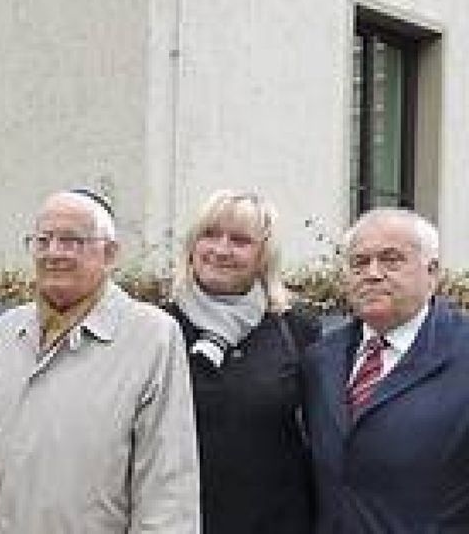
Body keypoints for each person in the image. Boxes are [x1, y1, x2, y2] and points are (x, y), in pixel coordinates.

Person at [0, 189, 200, 533]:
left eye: (71, 241)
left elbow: (168, 490)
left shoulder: (151, 336)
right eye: (43, 240)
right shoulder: (5, 333)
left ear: (110, 254)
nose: (53, 253)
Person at [304, 207, 469, 531]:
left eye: (391, 259)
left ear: (432, 272)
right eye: (359, 262)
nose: (373, 273)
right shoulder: (321, 361)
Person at [166, 190, 319, 533]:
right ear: (192, 247)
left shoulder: (296, 332)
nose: (221, 250)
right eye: (210, 235)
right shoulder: (158, 330)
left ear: (264, 256)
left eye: (239, 240)